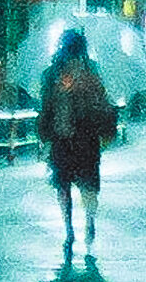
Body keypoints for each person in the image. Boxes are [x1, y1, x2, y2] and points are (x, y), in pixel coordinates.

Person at [38, 27, 116, 257]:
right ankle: (90, 221)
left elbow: (46, 107)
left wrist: (43, 135)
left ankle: (68, 228)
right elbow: (103, 101)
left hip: (61, 136)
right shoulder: (92, 73)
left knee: (62, 185)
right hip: (87, 137)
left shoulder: (52, 73)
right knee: (88, 184)